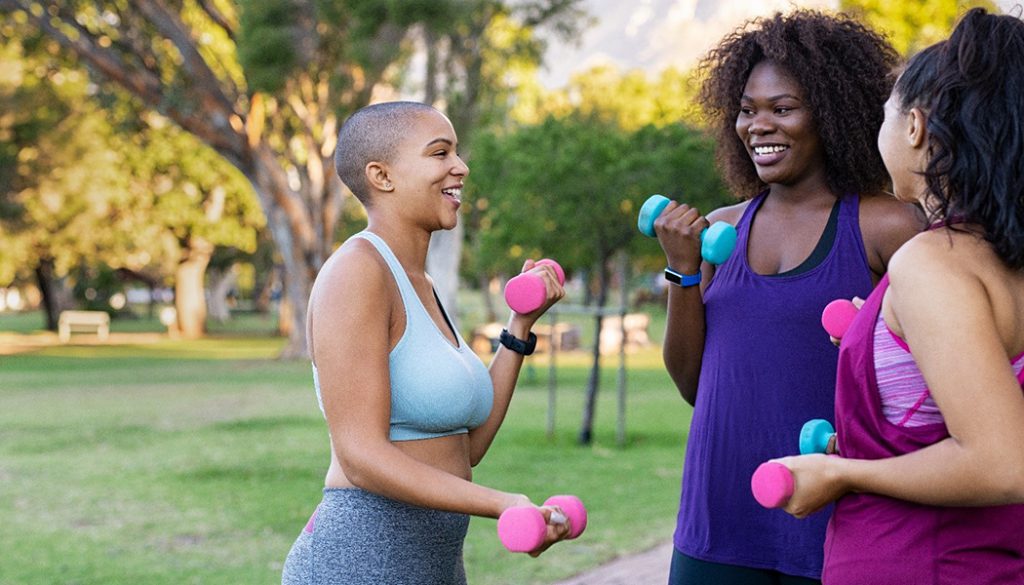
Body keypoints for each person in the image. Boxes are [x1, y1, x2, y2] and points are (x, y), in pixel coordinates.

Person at [651, 10, 925, 584]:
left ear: (831, 113)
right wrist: (682, 271)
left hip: (837, 522)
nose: (758, 126)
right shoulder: (720, 230)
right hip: (719, 520)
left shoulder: (888, 226)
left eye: (782, 109)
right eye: (747, 110)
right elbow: (693, 385)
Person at [772, 8, 1024, 584]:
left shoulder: (933, 263)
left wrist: (844, 473)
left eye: (885, 113)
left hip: (916, 562)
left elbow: (1003, 462)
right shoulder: (999, 258)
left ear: (914, 126)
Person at [281, 101, 569, 585]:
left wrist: (520, 326)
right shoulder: (357, 272)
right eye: (440, 153)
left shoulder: (422, 283)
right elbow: (360, 457)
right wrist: (504, 504)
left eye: (456, 152)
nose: (461, 167)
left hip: (435, 563)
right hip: (359, 562)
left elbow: (467, 448)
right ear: (382, 176)